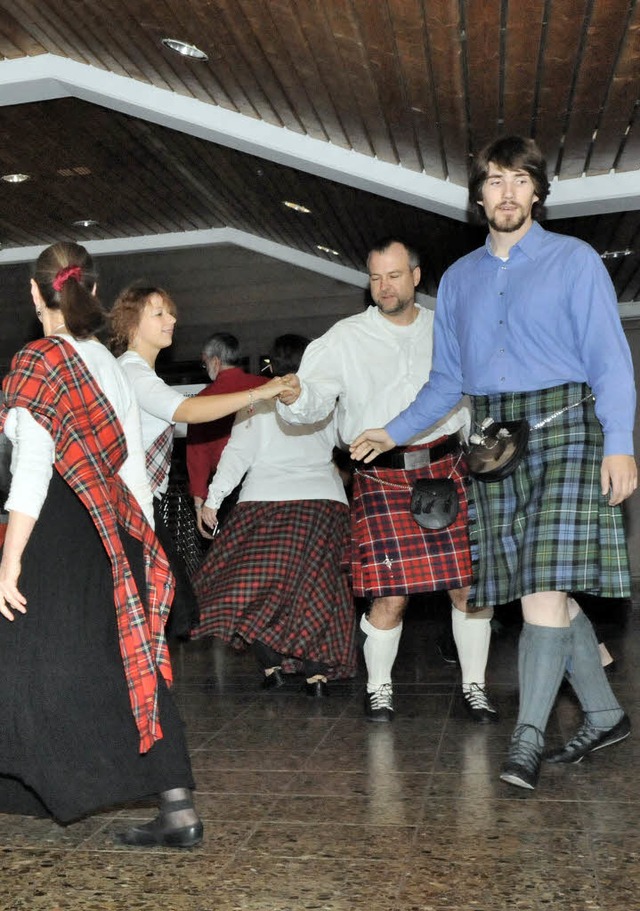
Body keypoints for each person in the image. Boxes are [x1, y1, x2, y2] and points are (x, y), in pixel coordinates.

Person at [351, 136, 636, 789]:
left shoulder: (575, 261)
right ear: (479, 196)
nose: (507, 194)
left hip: (568, 431)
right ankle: (603, 710)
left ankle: (526, 739)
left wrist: (619, 440)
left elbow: (609, 360)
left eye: (519, 181)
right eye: (495, 182)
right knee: (546, 581)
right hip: (493, 443)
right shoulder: (457, 281)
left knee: (540, 586)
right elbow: (446, 383)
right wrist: (389, 430)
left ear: (537, 191)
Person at [0, 242, 201, 847]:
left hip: (55, 534)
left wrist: (9, 560)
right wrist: (142, 545)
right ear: (91, 288)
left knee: (28, 666)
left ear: (36, 294)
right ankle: (179, 810)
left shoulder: (38, 360)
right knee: (126, 662)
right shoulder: (109, 363)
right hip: (113, 529)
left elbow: (33, 469)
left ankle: (51, 780)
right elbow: (132, 466)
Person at [277, 239, 498, 724]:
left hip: (448, 467)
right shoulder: (344, 337)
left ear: (416, 277)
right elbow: (311, 402)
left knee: (469, 589)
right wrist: (294, 396)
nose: (384, 287)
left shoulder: (448, 325)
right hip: (382, 476)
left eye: (394, 276)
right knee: (390, 596)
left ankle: (475, 687)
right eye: (376, 278)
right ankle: (379, 689)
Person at [110, 286, 287, 639]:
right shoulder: (132, 373)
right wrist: (260, 391)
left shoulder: (135, 373)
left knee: (165, 605)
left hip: (138, 504)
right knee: (168, 605)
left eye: (169, 312)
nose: (172, 319)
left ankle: (145, 684)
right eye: (159, 313)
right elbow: (187, 411)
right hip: (129, 504)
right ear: (132, 323)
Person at [191, 334, 357, 694]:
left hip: (262, 504)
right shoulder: (325, 396)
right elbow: (347, 439)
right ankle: (316, 672)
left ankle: (272, 667)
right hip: (322, 505)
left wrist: (213, 500)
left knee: (248, 589)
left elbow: (238, 454)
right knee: (317, 589)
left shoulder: (258, 400)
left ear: (273, 364)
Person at [187, 332, 268, 536]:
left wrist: (199, 504)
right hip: (269, 482)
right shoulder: (266, 386)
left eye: (205, 364)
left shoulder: (204, 399)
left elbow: (198, 455)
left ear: (215, 361)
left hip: (225, 491)